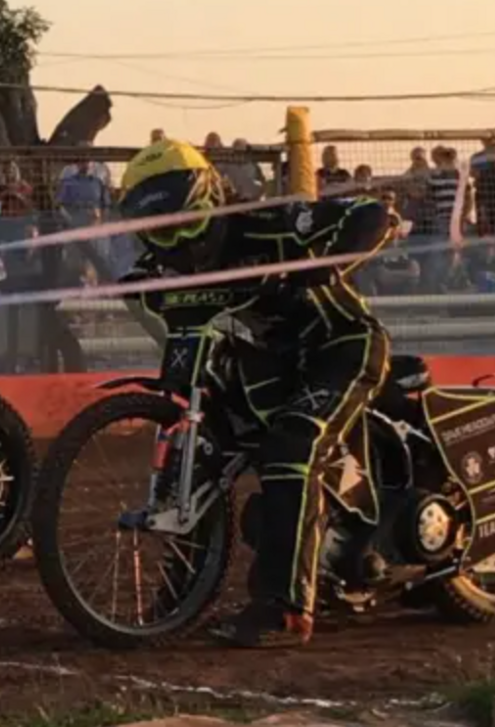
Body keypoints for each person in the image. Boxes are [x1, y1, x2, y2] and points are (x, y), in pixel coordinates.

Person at [116, 139, 393, 648]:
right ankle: (180, 598)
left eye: (174, 222)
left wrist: (324, 264)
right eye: (154, 230)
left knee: (290, 448)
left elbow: (374, 213)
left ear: (201, 200)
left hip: (340, 345)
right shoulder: (169, 263)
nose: (168, 239)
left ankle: (285, 611)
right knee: (201, 454)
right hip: (268, 361)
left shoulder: (271, 220)